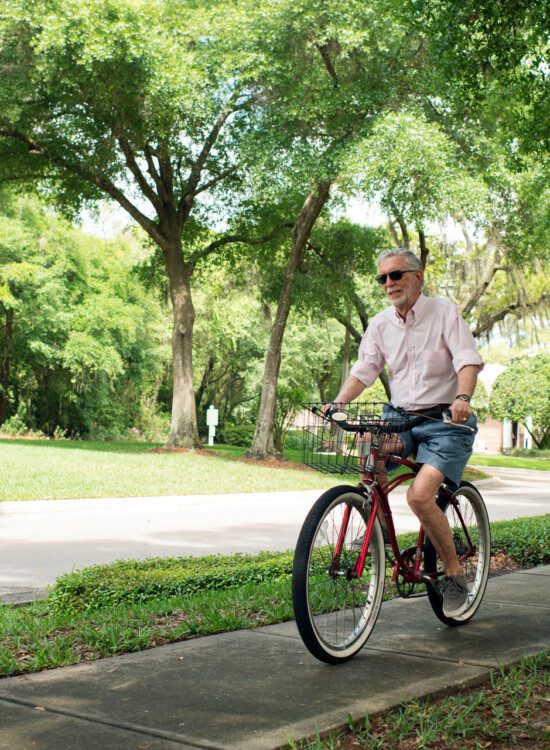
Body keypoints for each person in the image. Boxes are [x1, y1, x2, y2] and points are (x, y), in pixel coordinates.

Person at [329, 248, 484, 617]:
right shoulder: (381, 324)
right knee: (369, 445)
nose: (388, 284)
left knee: (418, 496)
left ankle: (454, 572)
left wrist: (463, 397)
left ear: (417, 276)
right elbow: (364, 370)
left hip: (446, 422)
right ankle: (379, 537)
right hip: (401, 418)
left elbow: (467, 359)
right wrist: (337, 404)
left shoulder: (443, 311)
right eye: (382, 278)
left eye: (395, 275)